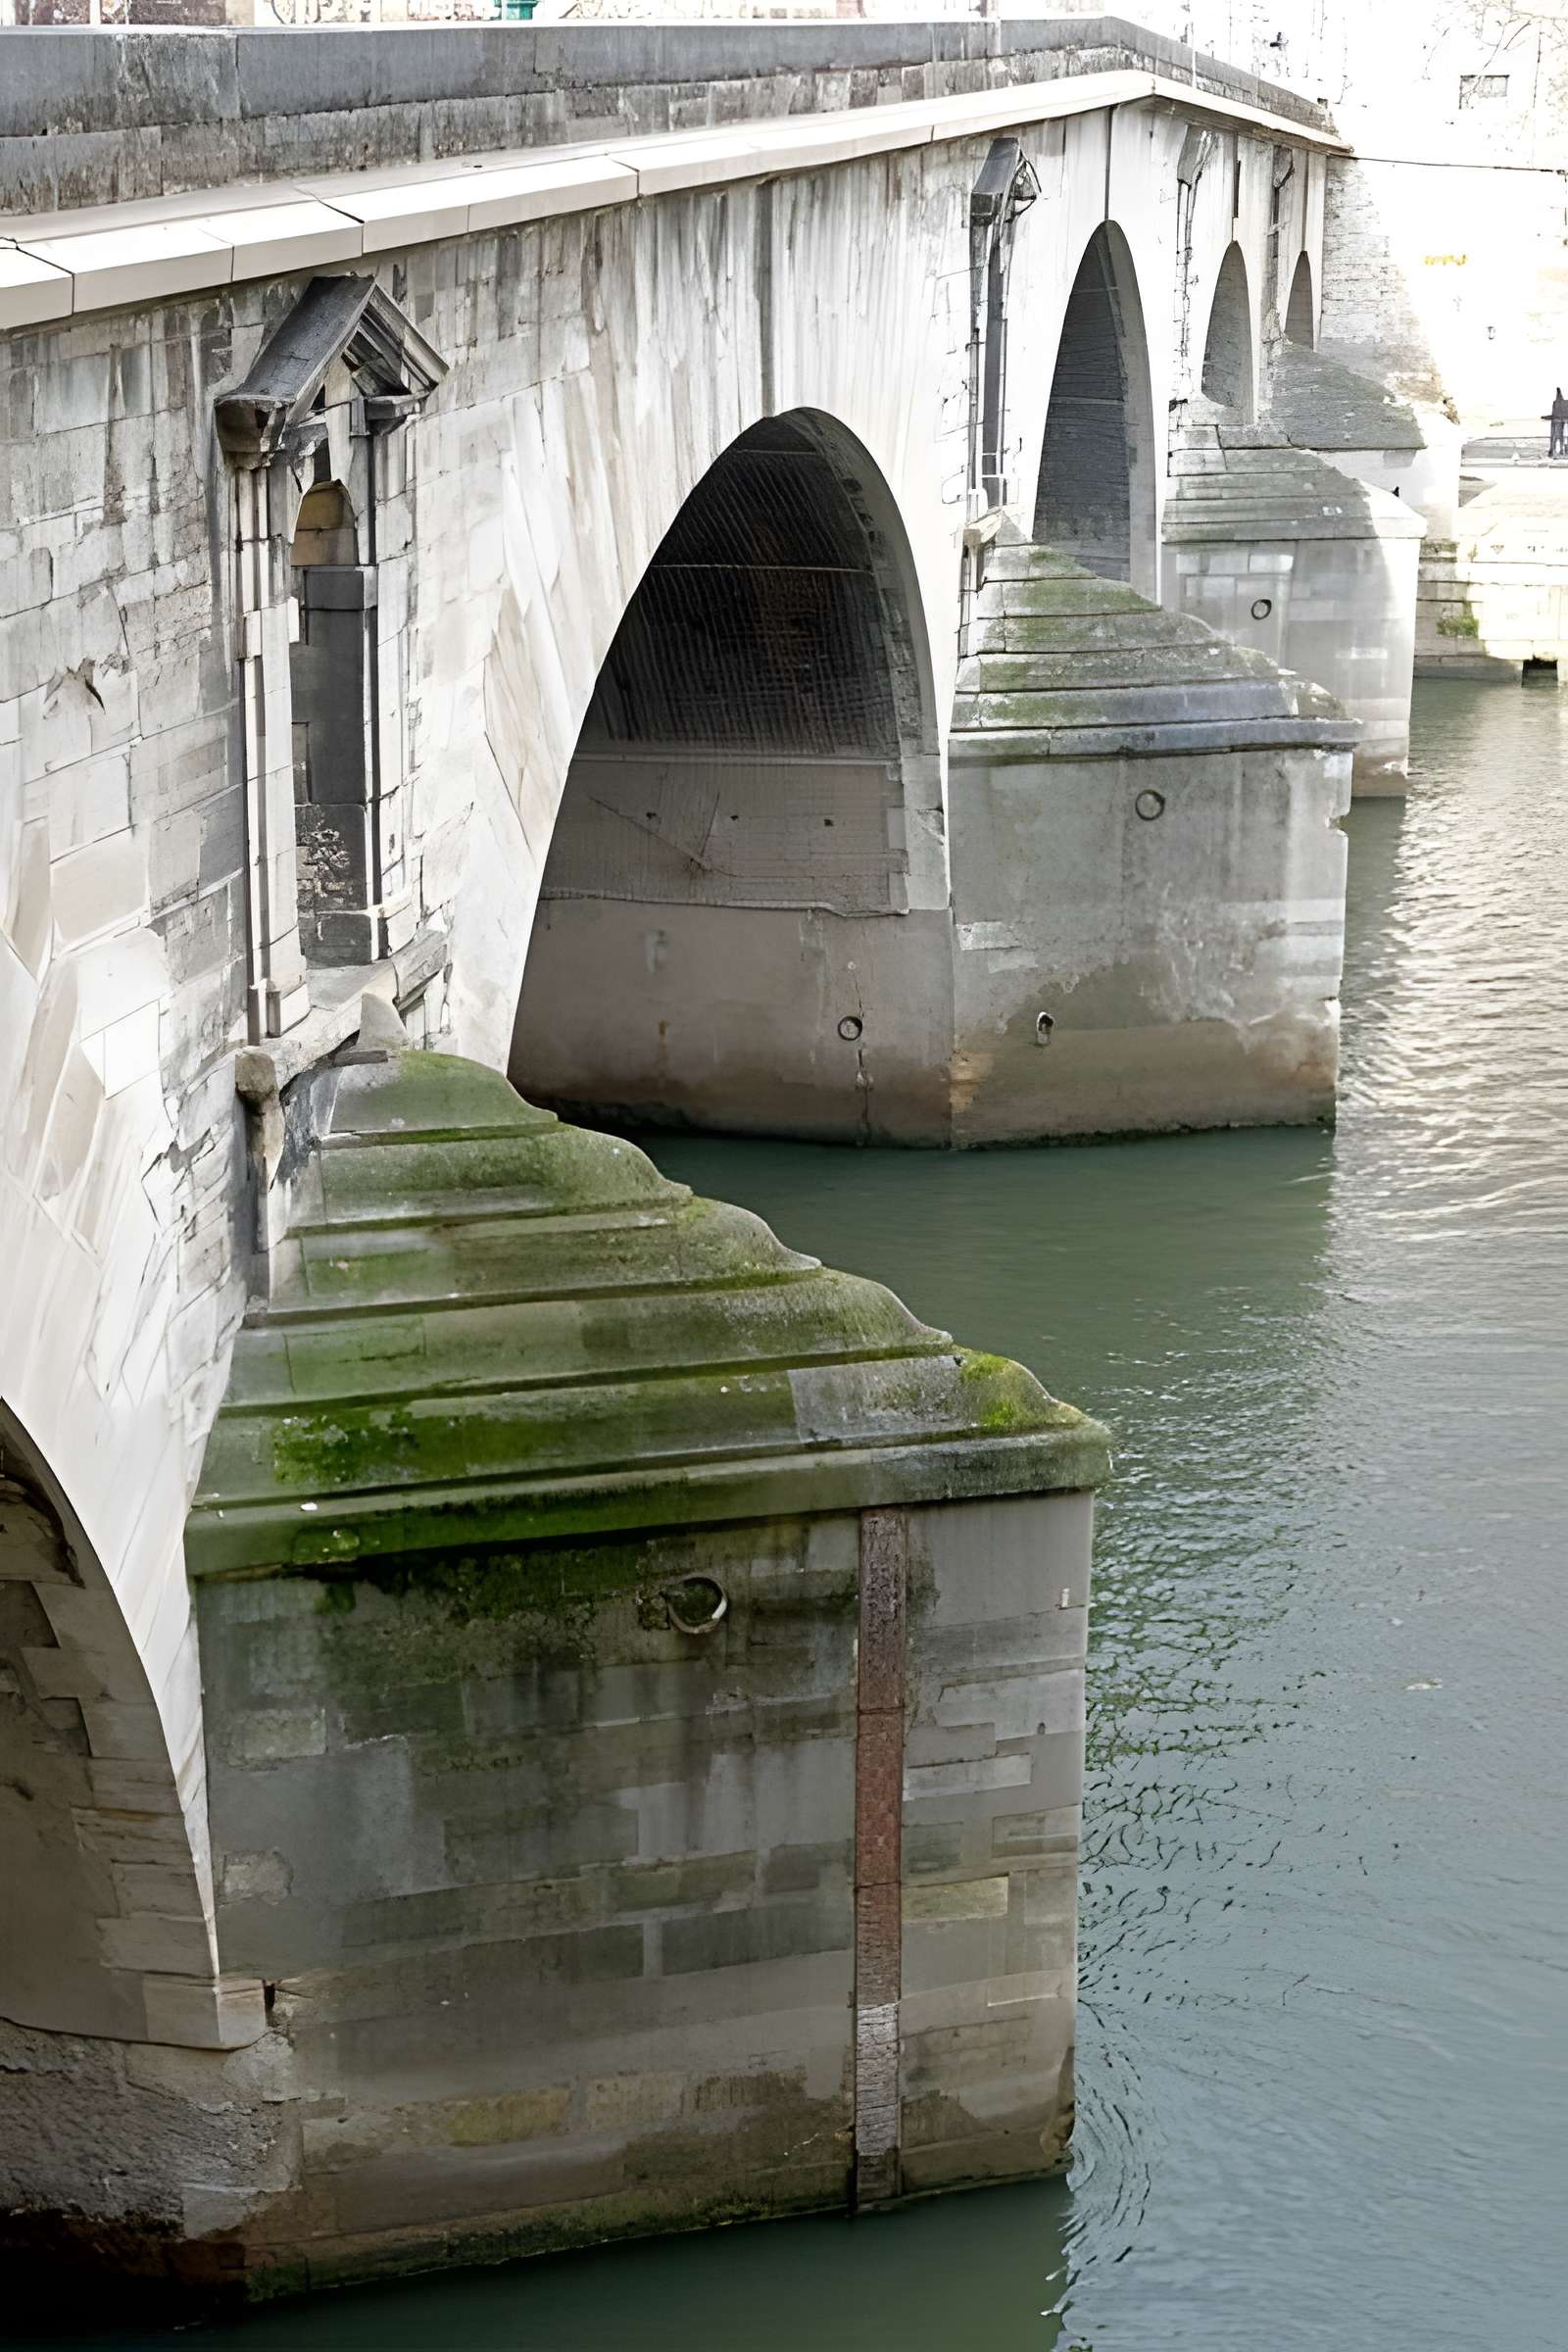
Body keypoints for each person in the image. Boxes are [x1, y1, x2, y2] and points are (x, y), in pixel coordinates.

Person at [1550, 387, 1568, 460]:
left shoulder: (1558, 403)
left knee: (1557, 437)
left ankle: (1559, 451)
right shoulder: (1560, 403)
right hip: (1558, 421)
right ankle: (1560, 451)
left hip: (1558, 421)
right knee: (1560, 437)